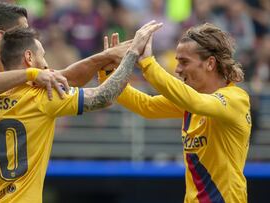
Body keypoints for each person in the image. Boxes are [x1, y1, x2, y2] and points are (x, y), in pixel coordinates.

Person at [0, 22, 163, 202]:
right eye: (42, 56)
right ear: (29, 58)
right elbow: (104, 96)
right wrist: (131, 55)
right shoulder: (42, 97)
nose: (46, 65)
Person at [100, 22, 251, 202]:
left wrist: (148, 64)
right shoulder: (191, 100)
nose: (178, 70)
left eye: (184, 62)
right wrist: (110, 74)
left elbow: (196, 103)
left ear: (210, 63)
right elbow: (146, 105)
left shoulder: (235, 99)